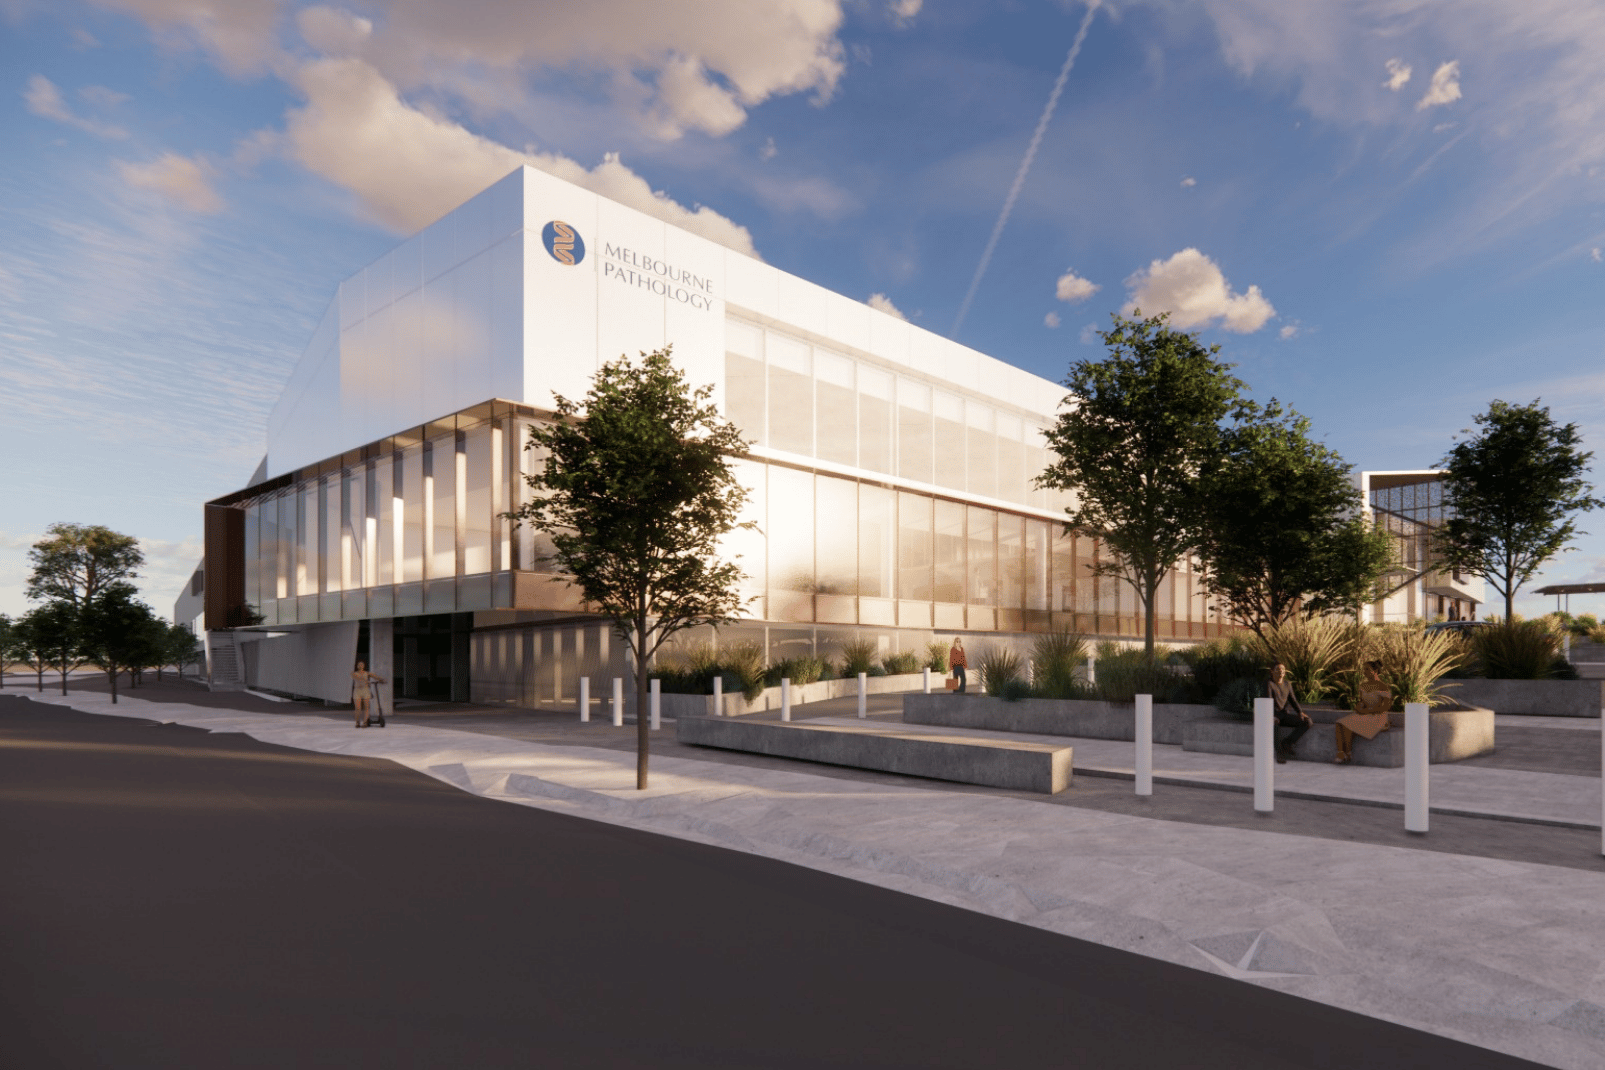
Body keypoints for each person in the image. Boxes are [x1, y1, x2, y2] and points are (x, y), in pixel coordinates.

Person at [1334, 660, 1391, 764]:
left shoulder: (1383, 686)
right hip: (1365, 714)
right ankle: (1342, 752)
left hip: (1377, 717)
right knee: (1339, 723)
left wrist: (1368, 711)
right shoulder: (1363, 686)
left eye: (1367, 669)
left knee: (1347, 725)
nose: (1364, 672)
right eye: (1364, 669)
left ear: (1375, 670)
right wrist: (1359, 708)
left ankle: (1347, 753)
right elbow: (1361, 702)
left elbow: (1385, 707)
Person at [1267, 662, 1311, 763]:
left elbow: (1293, 700)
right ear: (1272, 672)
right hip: (1272, 715)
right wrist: (1272, 716)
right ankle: (1280, 754)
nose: (1281, 671)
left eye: (1283, 669)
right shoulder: (1269, 684)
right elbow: (1268, 701)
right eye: (1278, 669)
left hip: (1284, 715)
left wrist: (1300, 712)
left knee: (1307, 722)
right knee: (1274, 726)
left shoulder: (1287, 684)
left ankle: (1287, 743)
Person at [351, 660, 385, 728]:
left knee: (367, 707)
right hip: (357, 690)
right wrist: (367, 681)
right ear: (357, 666)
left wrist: (381, 680)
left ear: (364, 666)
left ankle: (365, 722)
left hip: (365, 690)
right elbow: (358, 678)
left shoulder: (367, 673)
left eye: (362, 664)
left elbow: (375, 676)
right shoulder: (354, 673)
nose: (361, 666)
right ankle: (357, 722)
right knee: (358, 708)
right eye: (359, 664)